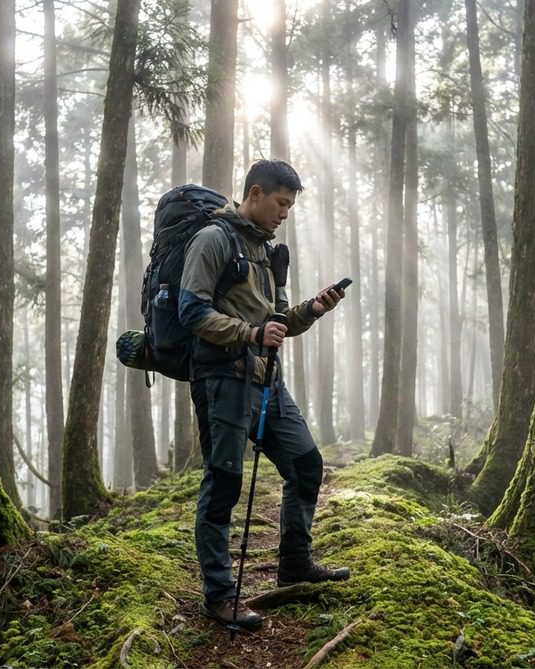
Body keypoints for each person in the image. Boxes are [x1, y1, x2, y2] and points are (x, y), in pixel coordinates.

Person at [178, 159, 351, 631]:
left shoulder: (266, 249)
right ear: (255, 194)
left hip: (265, 380)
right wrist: (250, 335)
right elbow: (190, 312)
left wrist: (313, 309)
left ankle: (295, 562)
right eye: (281, 204)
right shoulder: (213, 240)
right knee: (224, 483)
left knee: (306, 463)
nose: (285, 214)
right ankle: (219, 595)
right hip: (223, 378)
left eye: (291, 207)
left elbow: (276, 321)